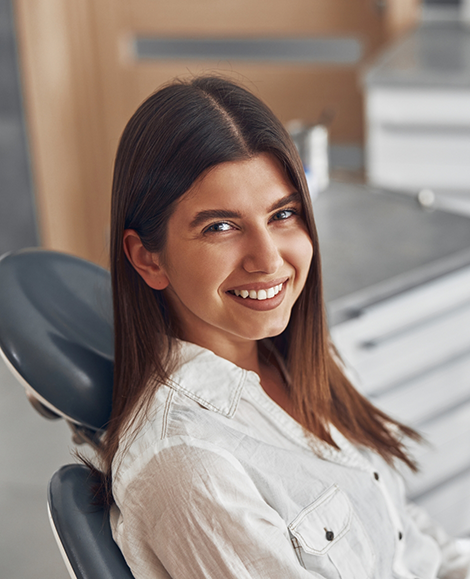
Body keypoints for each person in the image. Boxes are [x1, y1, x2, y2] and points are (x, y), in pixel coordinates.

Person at [96, 75, 470, 578]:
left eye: (283, 214)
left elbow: (408, 539)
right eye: (220, 227)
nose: (268, 260)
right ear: (148, 259)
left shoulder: (298, 360)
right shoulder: (187, 467)